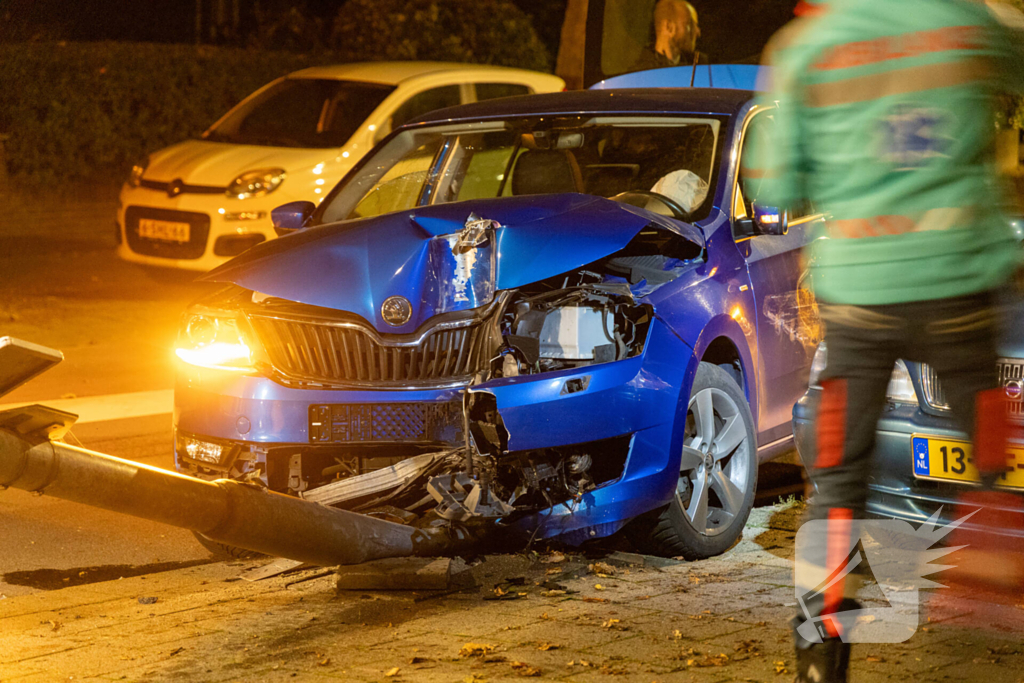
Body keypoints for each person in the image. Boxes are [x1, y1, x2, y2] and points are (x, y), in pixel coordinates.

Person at [746, 0, 1024, 681]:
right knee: (984, 409)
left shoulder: (808, 45)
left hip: (861, 298)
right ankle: (990, 524)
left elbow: (775, 183)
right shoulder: (971, 23)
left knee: (838, 480)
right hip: (959, 283)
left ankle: (819, 645)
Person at [629, 0, 700, 72]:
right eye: (689, 24)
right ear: (669, 27)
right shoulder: (641, 75)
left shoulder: (694, 69)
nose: (698, 32)